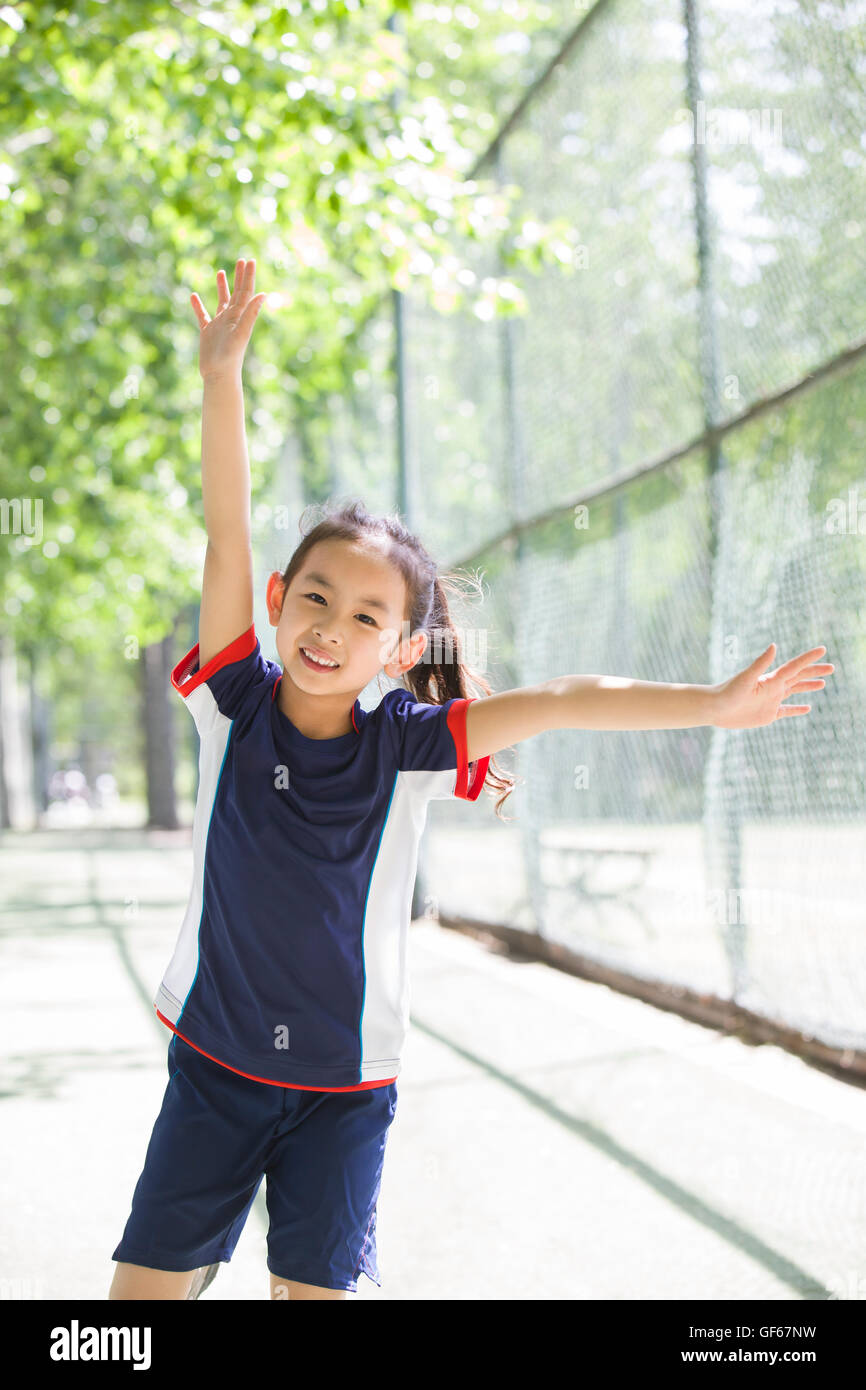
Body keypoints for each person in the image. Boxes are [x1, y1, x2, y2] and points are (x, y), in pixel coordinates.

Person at [108, 258, 833, 1301]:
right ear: (275, 601)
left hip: (344, 1092)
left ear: (400, 647)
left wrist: (712, 704)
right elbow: (227, 530)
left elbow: (567, 697)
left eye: (367, 616)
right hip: (214, 1073)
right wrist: (220, 375)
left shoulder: (408, 745)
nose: (331, 626)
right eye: (315, 598)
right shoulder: (231, 701)